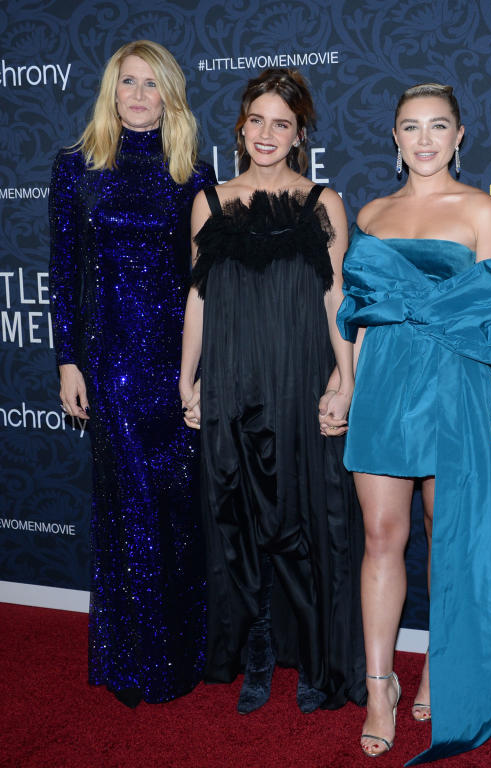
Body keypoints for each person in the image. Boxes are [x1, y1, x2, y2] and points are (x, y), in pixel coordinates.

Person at [336, 83, 491, 761]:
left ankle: (441, 669)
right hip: (385, 383)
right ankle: (379, 685)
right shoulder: (373, 210)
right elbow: (358, 313)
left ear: (459, 136)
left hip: (455, 384)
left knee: (448, 538)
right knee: (382, 536)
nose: (424, 139)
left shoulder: (480, 210)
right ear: (394, 136)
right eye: (411, 127)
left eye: (437, 126)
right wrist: (347, 383)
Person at [179, 68, 365, 714]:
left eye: (280, 124)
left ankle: (314, 660)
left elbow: (335, 292)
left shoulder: (323, 202)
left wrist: (346, 377)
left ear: (300, 133)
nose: (266, 134)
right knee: (238, 521)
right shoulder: (209, 201)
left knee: (299, 521)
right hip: (229, 376)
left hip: (298, 378)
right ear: (240, 127)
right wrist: (188, 377)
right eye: (256, 121)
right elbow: (197, 299)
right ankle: (256, 647)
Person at [48, 39, 214, 707]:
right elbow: (62, 273)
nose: (139, 95)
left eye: (152, 84)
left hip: (177, 364)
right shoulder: (77, 168)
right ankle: (135, 660)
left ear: (168, 95)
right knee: (131, 512)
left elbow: (203, 283)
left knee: (178, 511)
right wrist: (67, 360)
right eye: (128, 83)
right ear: (111, 92)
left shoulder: (193, 173)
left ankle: (184, 654)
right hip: (112, 361)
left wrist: (200, 370)